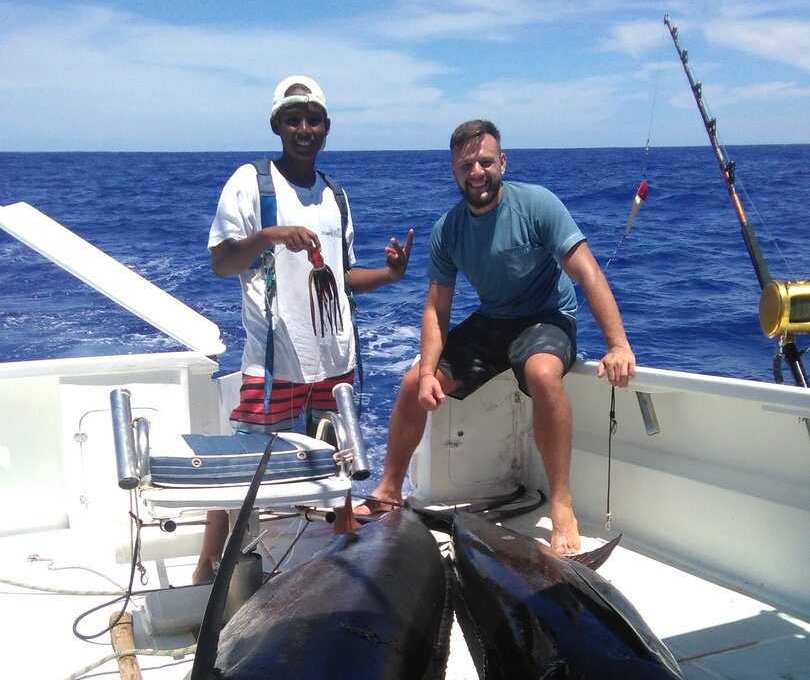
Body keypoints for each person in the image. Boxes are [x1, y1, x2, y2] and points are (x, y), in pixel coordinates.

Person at [355, 119, 635, 556]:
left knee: (543, 374)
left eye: (486, 161)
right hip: (493, 321)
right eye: (467, 165)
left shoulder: (538, 205)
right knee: (413, 383)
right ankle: (389, 490)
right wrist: (429, 370)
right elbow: (436, 308)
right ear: (453, 172)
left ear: (502, 163)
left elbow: (587, 273)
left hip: (547, 316)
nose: (477, 172)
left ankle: (561, 502)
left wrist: (618, 344)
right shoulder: (447, 230)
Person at [193, 75, 413, 583]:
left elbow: (343, 277)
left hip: (334, 364)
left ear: (327, 127)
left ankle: (344, 551)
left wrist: (392, 275)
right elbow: (222, 263)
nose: (304, 128)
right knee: (241, 470)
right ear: (277, 126)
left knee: (340, 465)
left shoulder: (335, 195)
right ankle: (208, 564)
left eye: (313, 119)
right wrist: (269, 236)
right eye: (293, 119)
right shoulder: (251, 183)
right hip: (274, 367)